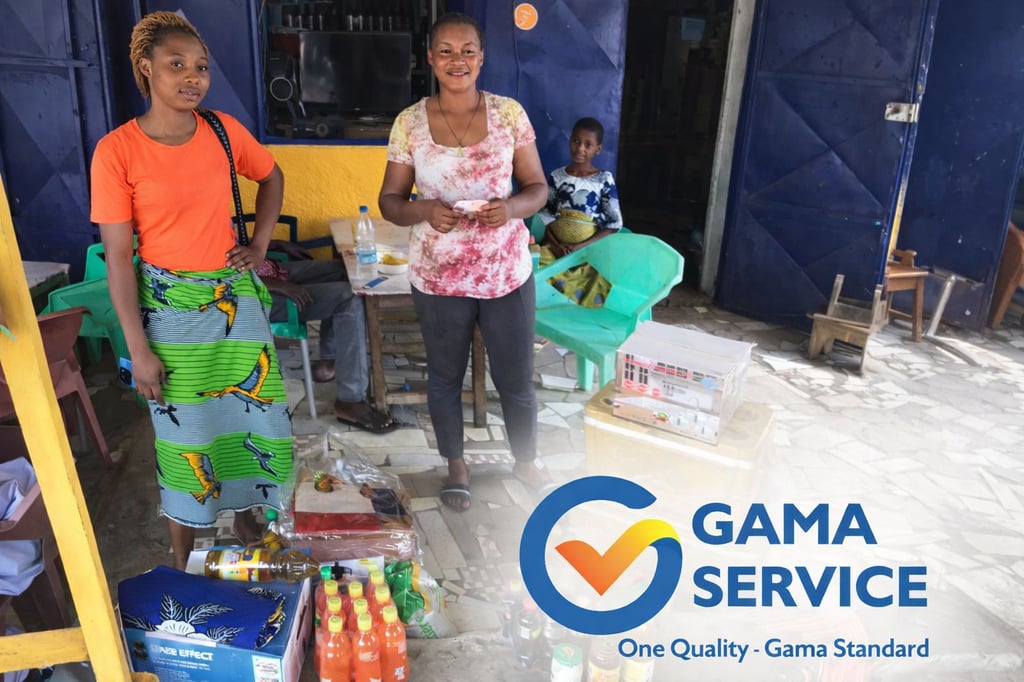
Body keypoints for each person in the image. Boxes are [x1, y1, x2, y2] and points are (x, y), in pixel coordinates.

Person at [90, 12, 291, 569]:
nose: (191, 77)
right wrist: (138, 350)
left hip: (236, 306)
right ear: (145, 69)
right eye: (176, 65)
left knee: (255, 422)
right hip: (170, 316)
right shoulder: (117, 151)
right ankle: (182, 566)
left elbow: (271, 176)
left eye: (200, 67)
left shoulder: (224, 131)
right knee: (186, 441)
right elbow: (119, 263)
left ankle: (251, 527)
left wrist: (260, 244)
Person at [378, 12, 551, 511]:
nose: (458, 60)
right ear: (431, 58)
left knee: (515, 377)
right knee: (444, 377)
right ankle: (457, 465)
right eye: (447, 51)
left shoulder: (510, 115)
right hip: (438, 276)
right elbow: (390, 199)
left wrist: (512, 208)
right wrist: (424, 210)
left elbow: (538, 187)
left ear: (482, 57)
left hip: (506, 273)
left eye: (468, 50)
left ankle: (526, 459)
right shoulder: (409, 122)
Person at [257, 242, 396, 432]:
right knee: (349, 296)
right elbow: (215, 275)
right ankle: (350, 400)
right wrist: (279, 285)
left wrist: (274, 245)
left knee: (346, 270)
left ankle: (329, 364)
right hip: (254, 294)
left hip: (267, 272)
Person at [538, 117, 623, 261]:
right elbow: (545, 216)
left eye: (588, 144)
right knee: (535, 268)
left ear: (598, 149)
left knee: (591, 279)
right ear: (570, 140)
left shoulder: (604, 179)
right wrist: (556, 246)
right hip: (556, 249)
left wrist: (581, 246)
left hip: (589, 251)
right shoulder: (557, 176)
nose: (580, 148)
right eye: (576, 141)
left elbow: (614, 224)